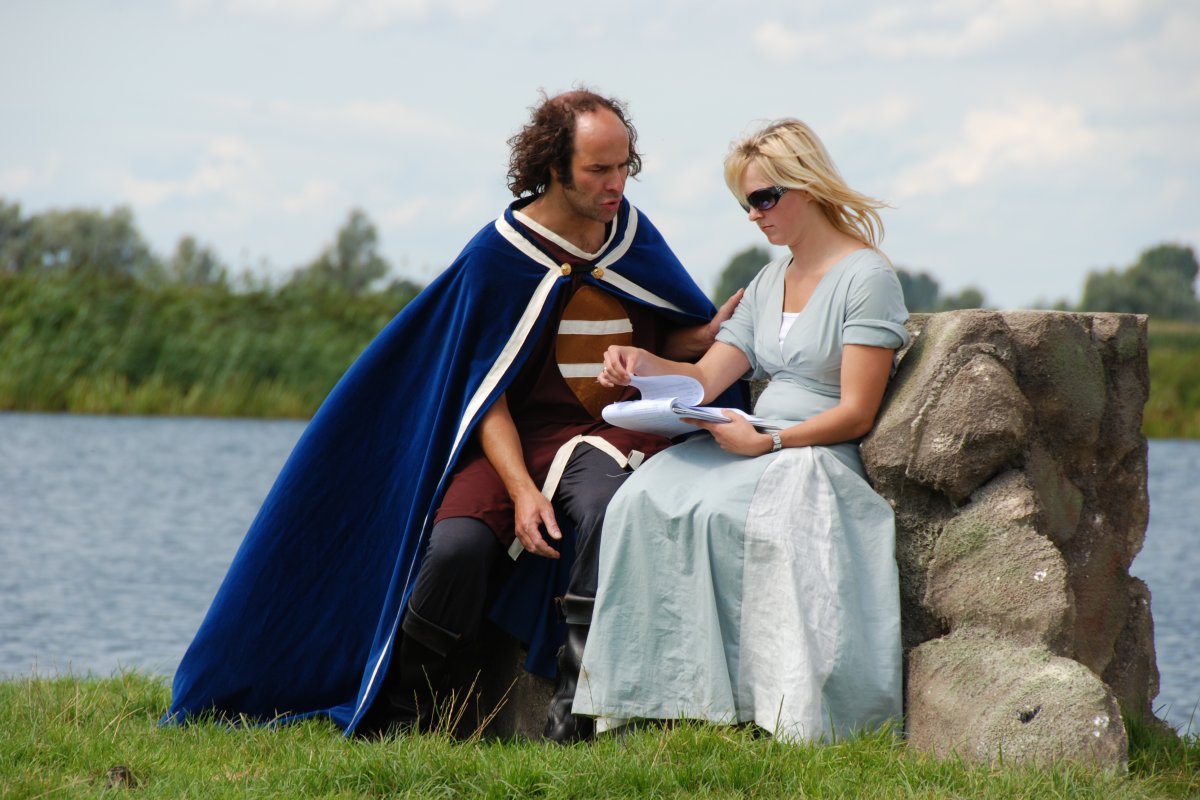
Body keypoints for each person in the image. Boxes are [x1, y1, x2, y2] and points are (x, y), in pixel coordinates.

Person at [163, 89, 742, 743]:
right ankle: (407, 717)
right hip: (509, 439)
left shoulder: (631, 237)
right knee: (457, 548)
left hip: (605, 432)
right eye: (598, 170)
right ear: (555, 167)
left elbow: (657, 335)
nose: (617, 184)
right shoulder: (500, 255)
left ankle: (572, 714)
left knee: (608, 510)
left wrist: (702, 337)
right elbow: (481, 392)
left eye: (624, 167)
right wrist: (521, 491)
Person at [573, 118, 910, 741]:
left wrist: (770, 441)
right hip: (753, 436)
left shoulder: (867, 277)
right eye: (746, 203)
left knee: (724, 512)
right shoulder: (768, 280)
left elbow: (858, 412)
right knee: (642, 499)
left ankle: (766, 708)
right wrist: (641, 362)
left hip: (812, 446)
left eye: (764, 198)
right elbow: (704, 379)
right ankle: (661, 700)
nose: (754, 215)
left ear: (806, 185)